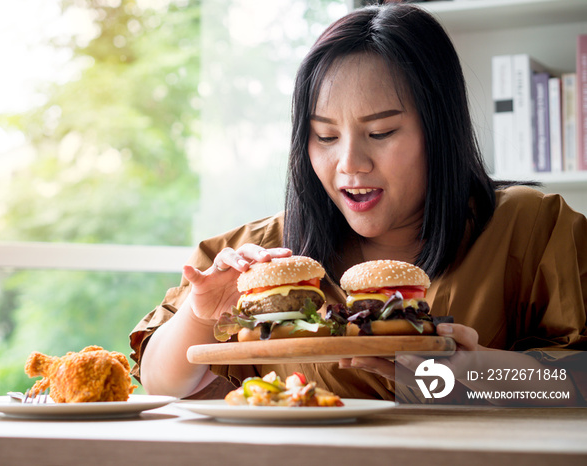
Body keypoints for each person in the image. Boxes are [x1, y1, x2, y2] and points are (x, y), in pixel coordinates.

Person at [129, 3, 587, 402]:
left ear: (438, 129)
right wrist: (201, 313)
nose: (350, 163)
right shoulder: (264, 255)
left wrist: (477, 375)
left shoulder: (533, 226)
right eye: (324, 135)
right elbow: (161, 382)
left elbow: (578, 384)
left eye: (381, 133)